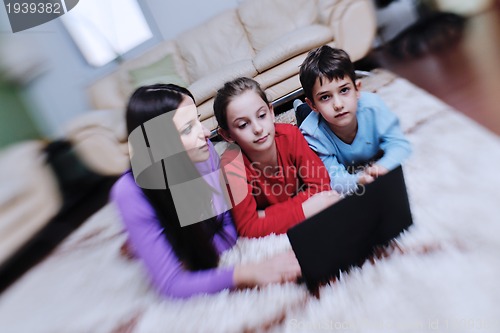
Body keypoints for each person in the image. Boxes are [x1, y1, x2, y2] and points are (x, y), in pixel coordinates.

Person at [111, 84, 301, 299]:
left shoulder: (204, 151)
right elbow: (172, 285)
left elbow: (227, 227)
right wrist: (246, 272)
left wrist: (201, 245)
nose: (206, 133)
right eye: (187, 128)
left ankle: (140, 239)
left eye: (198, 120)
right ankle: (136, 240)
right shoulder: (128, 192)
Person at [214, 77, 340, 238]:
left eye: (261, 115)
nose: (258, 129)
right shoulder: (231, 165)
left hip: (293, 134)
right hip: (299, 199)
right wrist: (305, 209)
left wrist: (264, 214)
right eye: (243, 125)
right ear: (227, 135)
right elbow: (248, 228)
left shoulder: (290, 134)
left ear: (271, 112)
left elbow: (322, 187)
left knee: (306, 122)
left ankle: (300, 108)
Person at [295, 45, 412, 195]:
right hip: (313, 116)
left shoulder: (374, 107)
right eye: (325, 97)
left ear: (357, 89)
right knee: (302, 112)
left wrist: (382, 167)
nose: (338, 105)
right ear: (313, 104)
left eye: (344, 90)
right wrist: (358, 180)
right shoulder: (312, 133)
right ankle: (300, 106)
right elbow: (333, 179)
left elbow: (400, 144)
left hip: (326, 112)